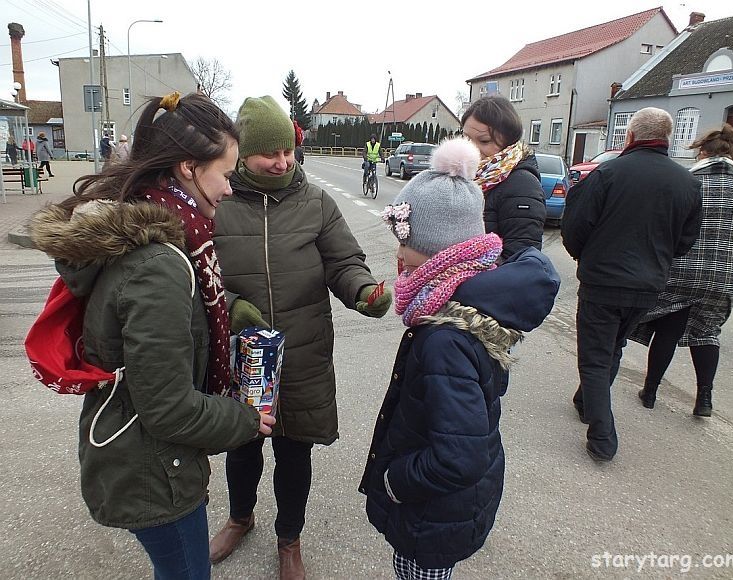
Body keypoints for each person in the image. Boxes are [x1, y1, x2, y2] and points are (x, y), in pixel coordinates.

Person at [28, 92, 275, 579]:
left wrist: (225, 311)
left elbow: (156, 329)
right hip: (154, 468)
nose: (229, 189)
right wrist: (245, 420)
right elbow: (167, 407)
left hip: (148, 458)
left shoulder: (155, 232)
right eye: (225, 174)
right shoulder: (159, 263)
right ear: (188, 167)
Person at [359, 137, 559, 578]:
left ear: (435, 248)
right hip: (446, 508)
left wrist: (395, 481)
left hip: (433, 512)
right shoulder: (465, 303)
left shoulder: (445, 336)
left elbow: (458, 457)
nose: (396, 253)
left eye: (403, 241)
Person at [211, 96, 392, 578]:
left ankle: (289, 539)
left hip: (304, 352)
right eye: (270, 152)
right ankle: (239, 518)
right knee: (242, 445)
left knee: (295, 451)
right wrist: (232, 309)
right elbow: (200, 276)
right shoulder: (219, 204)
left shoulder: (315, 201)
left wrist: (361, 291)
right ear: (243, 154)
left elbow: (344, 261)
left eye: (288, 150)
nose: (282, 161)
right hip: (245, 355)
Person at [561, 107, 702, 462]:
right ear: (668, 138)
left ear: (630, 136)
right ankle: (585, 402)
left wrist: (585, 257)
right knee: (613, 347)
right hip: (648, 284)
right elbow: (686, 241)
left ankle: (602, 435)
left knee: (595, 357)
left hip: (603, 280)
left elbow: (574, 228)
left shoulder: (606, 173)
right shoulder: (688, 182)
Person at [630, 124, 733, 417]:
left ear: (702, 152)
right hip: (726, 277)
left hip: (682, 270)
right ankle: (704, 400)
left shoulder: (688, 182)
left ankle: (650, 392)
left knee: (669, 330)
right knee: (708, 332)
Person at [461, 96, 546, 260]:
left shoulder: (522, 185)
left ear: (508, 143)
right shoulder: (467, 176)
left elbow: (519, 261)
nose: (470, 148)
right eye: (466, 138)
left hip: (484, 284)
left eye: (484, 141)